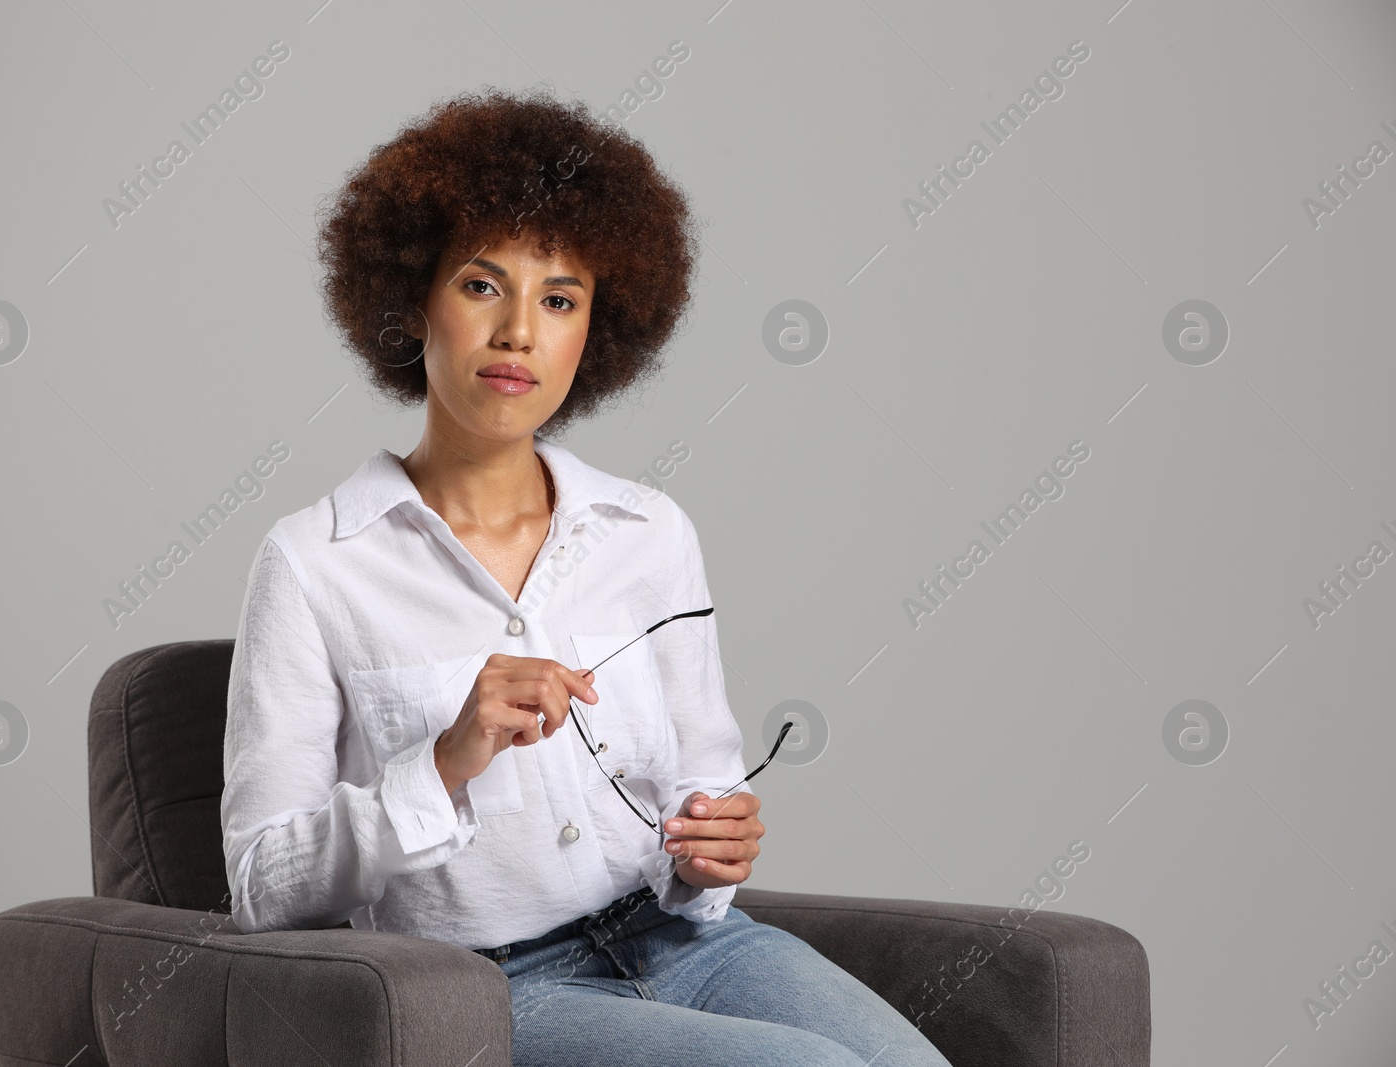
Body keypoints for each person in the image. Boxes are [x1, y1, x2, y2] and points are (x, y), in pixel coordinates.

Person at [220, 85, 953, 1067]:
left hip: (688, 939)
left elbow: (702, 768)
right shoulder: (314, 561)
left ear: (595, 333)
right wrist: (443, 759)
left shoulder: (648, 531)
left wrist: (713, 844)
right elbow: (261, 881)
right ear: (410, 302)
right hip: (490, 988)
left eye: (559, 298)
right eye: (482, 285)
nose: (519, 330)